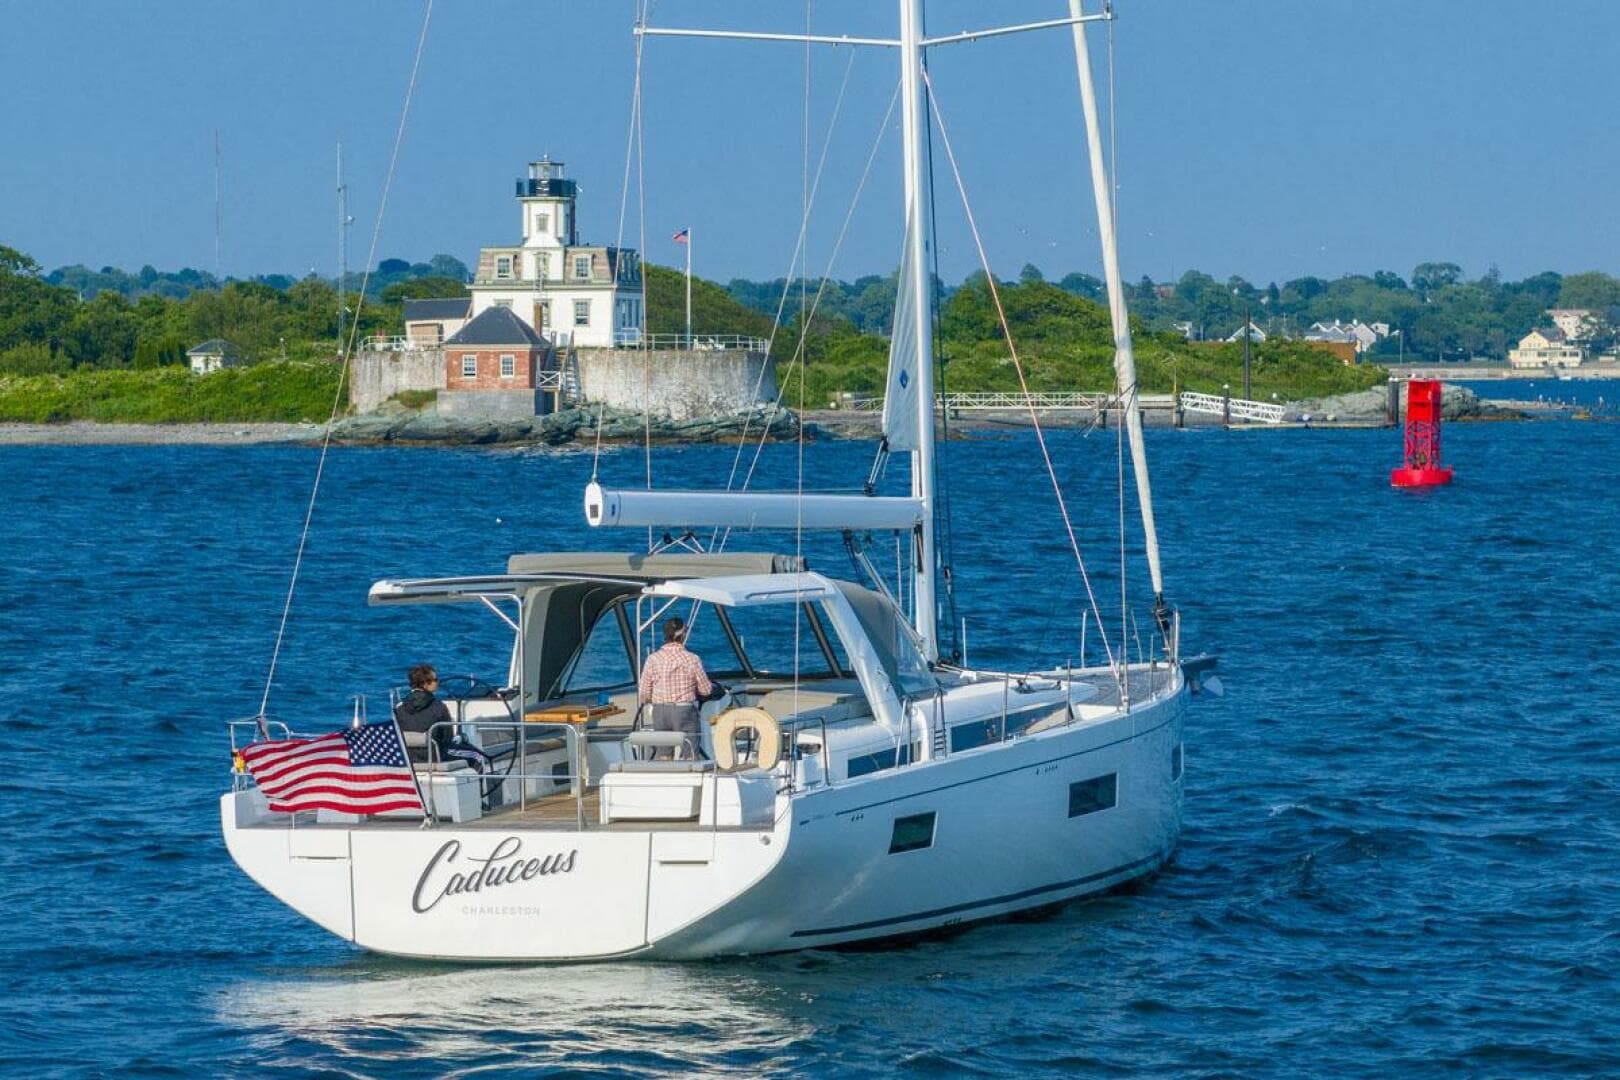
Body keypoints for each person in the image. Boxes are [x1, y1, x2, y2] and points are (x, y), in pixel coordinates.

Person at [637, 616, 715, 759]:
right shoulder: (692, 659)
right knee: (690, 754)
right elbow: (706, 690)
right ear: (682, 634)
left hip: (660, 711)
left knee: (664, 756)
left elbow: (644, 693)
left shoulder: (653, 659)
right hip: (684, 711)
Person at [394, 664, 491, 773]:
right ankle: (481, 789)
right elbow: (447, 739)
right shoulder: (439, 707)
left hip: (409, 758)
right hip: (436, 756)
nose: (438, 682)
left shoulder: (399, 708)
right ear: (425, 684)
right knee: (477, 756)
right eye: (435, 680)